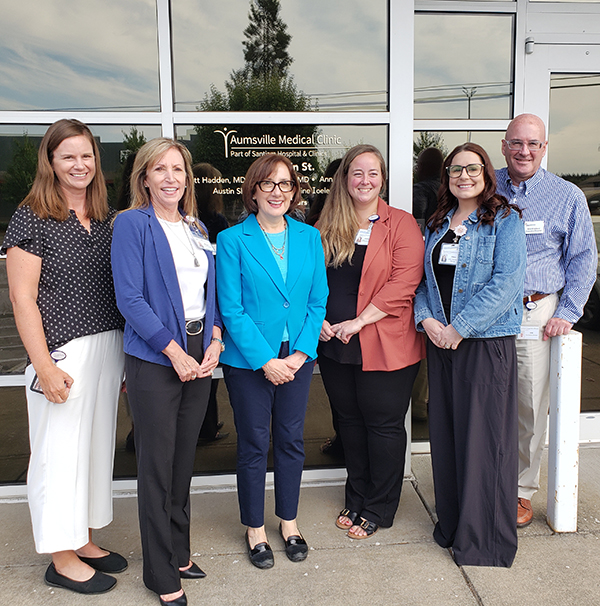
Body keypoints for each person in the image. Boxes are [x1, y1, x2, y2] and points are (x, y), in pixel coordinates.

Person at [2, 119, 126, 594]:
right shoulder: (31, 216)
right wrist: (45, 367)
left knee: (93, 451)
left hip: (107, 346)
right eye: (68, 156)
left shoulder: (105, 216)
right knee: (58, 454)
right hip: (63, 353)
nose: (80, 165)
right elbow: (21, 298)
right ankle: (60, 555)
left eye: (87, 155)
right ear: (50, 163)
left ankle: (84, 539)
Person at [112, 138, 223, 606]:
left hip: (200, 349)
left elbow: (208, 289)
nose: (171, 177)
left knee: (182, 462)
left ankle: (178, 551)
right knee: (156, 468)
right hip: (157, 355)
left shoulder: (195, 225)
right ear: (145, 177)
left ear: (187, 178)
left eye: (178, 169)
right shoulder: (132, 225)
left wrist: (215, 336)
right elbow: (129, 298)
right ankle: (160, 574)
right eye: (160, 169)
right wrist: (174, 351)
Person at [414, 142, 527, 567]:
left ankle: (483, 540)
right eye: (455, 169)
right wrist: (428, 323)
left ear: (486, 174)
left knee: (484, 444)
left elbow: (507, 283)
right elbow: (423, 283)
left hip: (482, 345)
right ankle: (453, 524)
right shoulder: (437, 223)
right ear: (446, 176)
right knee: (447, 437)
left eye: (472, 169)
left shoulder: (505, 220)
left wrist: (460, 329)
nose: (463, 176)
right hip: (441, 344)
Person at [216, 154, 328, 569]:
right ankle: (254, 528)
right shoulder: (232, 240)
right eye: (268, 184)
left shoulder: (309, 237)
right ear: (253, 191)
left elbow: (317, 301)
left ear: (295, 191)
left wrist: (300, 354)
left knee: (291, 441)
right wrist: (266, 359)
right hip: (250, 361)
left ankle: (288, 521)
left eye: (285, 184)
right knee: (252, 443)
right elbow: (230, 308)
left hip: (297, 357)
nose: (277, 191)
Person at [317, 144, 425, 540]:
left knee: (382, 426)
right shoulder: (326, 225)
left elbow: (404, 284)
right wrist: (321, 322)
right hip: (334, 342)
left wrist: (358, 322)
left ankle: (379, 505)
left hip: (384, 341)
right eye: (357, 173)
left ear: (382, 179)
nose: (365, 181)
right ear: (345, 178)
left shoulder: (401, 223)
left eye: (373, 173)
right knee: (349, 423)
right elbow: (309, 282)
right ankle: (357, 494)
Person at [496, 114, 597, 528]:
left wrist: (568, 312)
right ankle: (487, 479)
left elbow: (583, 261)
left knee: (528, 409)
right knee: (487, 402)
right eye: (516, 143)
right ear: (504, 146)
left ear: (544, 147)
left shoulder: (567, 195)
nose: (524, 151)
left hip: (535, 312)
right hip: (486, 312)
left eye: (533, 144)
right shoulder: (487, 184)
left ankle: (521, 490)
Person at [192, 163, 229, 443]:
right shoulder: (214, 222)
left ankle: (200, 427)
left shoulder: (195, 221)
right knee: (209, 371)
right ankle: (207, 426)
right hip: (211, 300)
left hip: (203, 303)